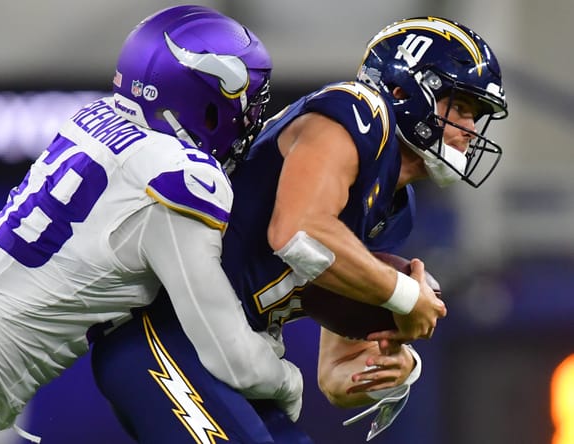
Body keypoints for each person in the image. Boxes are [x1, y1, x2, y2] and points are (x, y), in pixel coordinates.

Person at [0, 5, 306, 443]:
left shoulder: (99, 119)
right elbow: (230, 356)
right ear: (204, 97)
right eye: (245, 100)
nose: (249, 119)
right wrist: (288, 380)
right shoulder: (176, 179)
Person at [91, 16, 508, 443]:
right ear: (403, 91)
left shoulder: (395, 209)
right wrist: (404, 297)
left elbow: (334, 375)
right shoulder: (358, 112)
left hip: (235, 351)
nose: (471, 131)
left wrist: (392, 365)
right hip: (163, 329)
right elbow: (297, 233)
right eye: (462, 108)